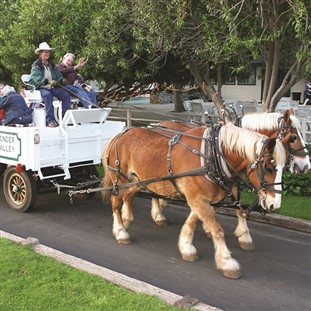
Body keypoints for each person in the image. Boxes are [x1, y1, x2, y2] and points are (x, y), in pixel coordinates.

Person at [29, 42, 71, 127]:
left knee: (66, 94)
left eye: (48, 52)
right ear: (40, 53)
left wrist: (62, 80)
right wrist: (49, 81)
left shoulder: (52, 65)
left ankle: (64, 119)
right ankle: (50, 120)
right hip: (39, 88)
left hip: (51, 87)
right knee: (48, 95)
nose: (47, 54)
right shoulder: (36, 65)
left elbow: (58, 76)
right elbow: (37, 79)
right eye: (45, 52)